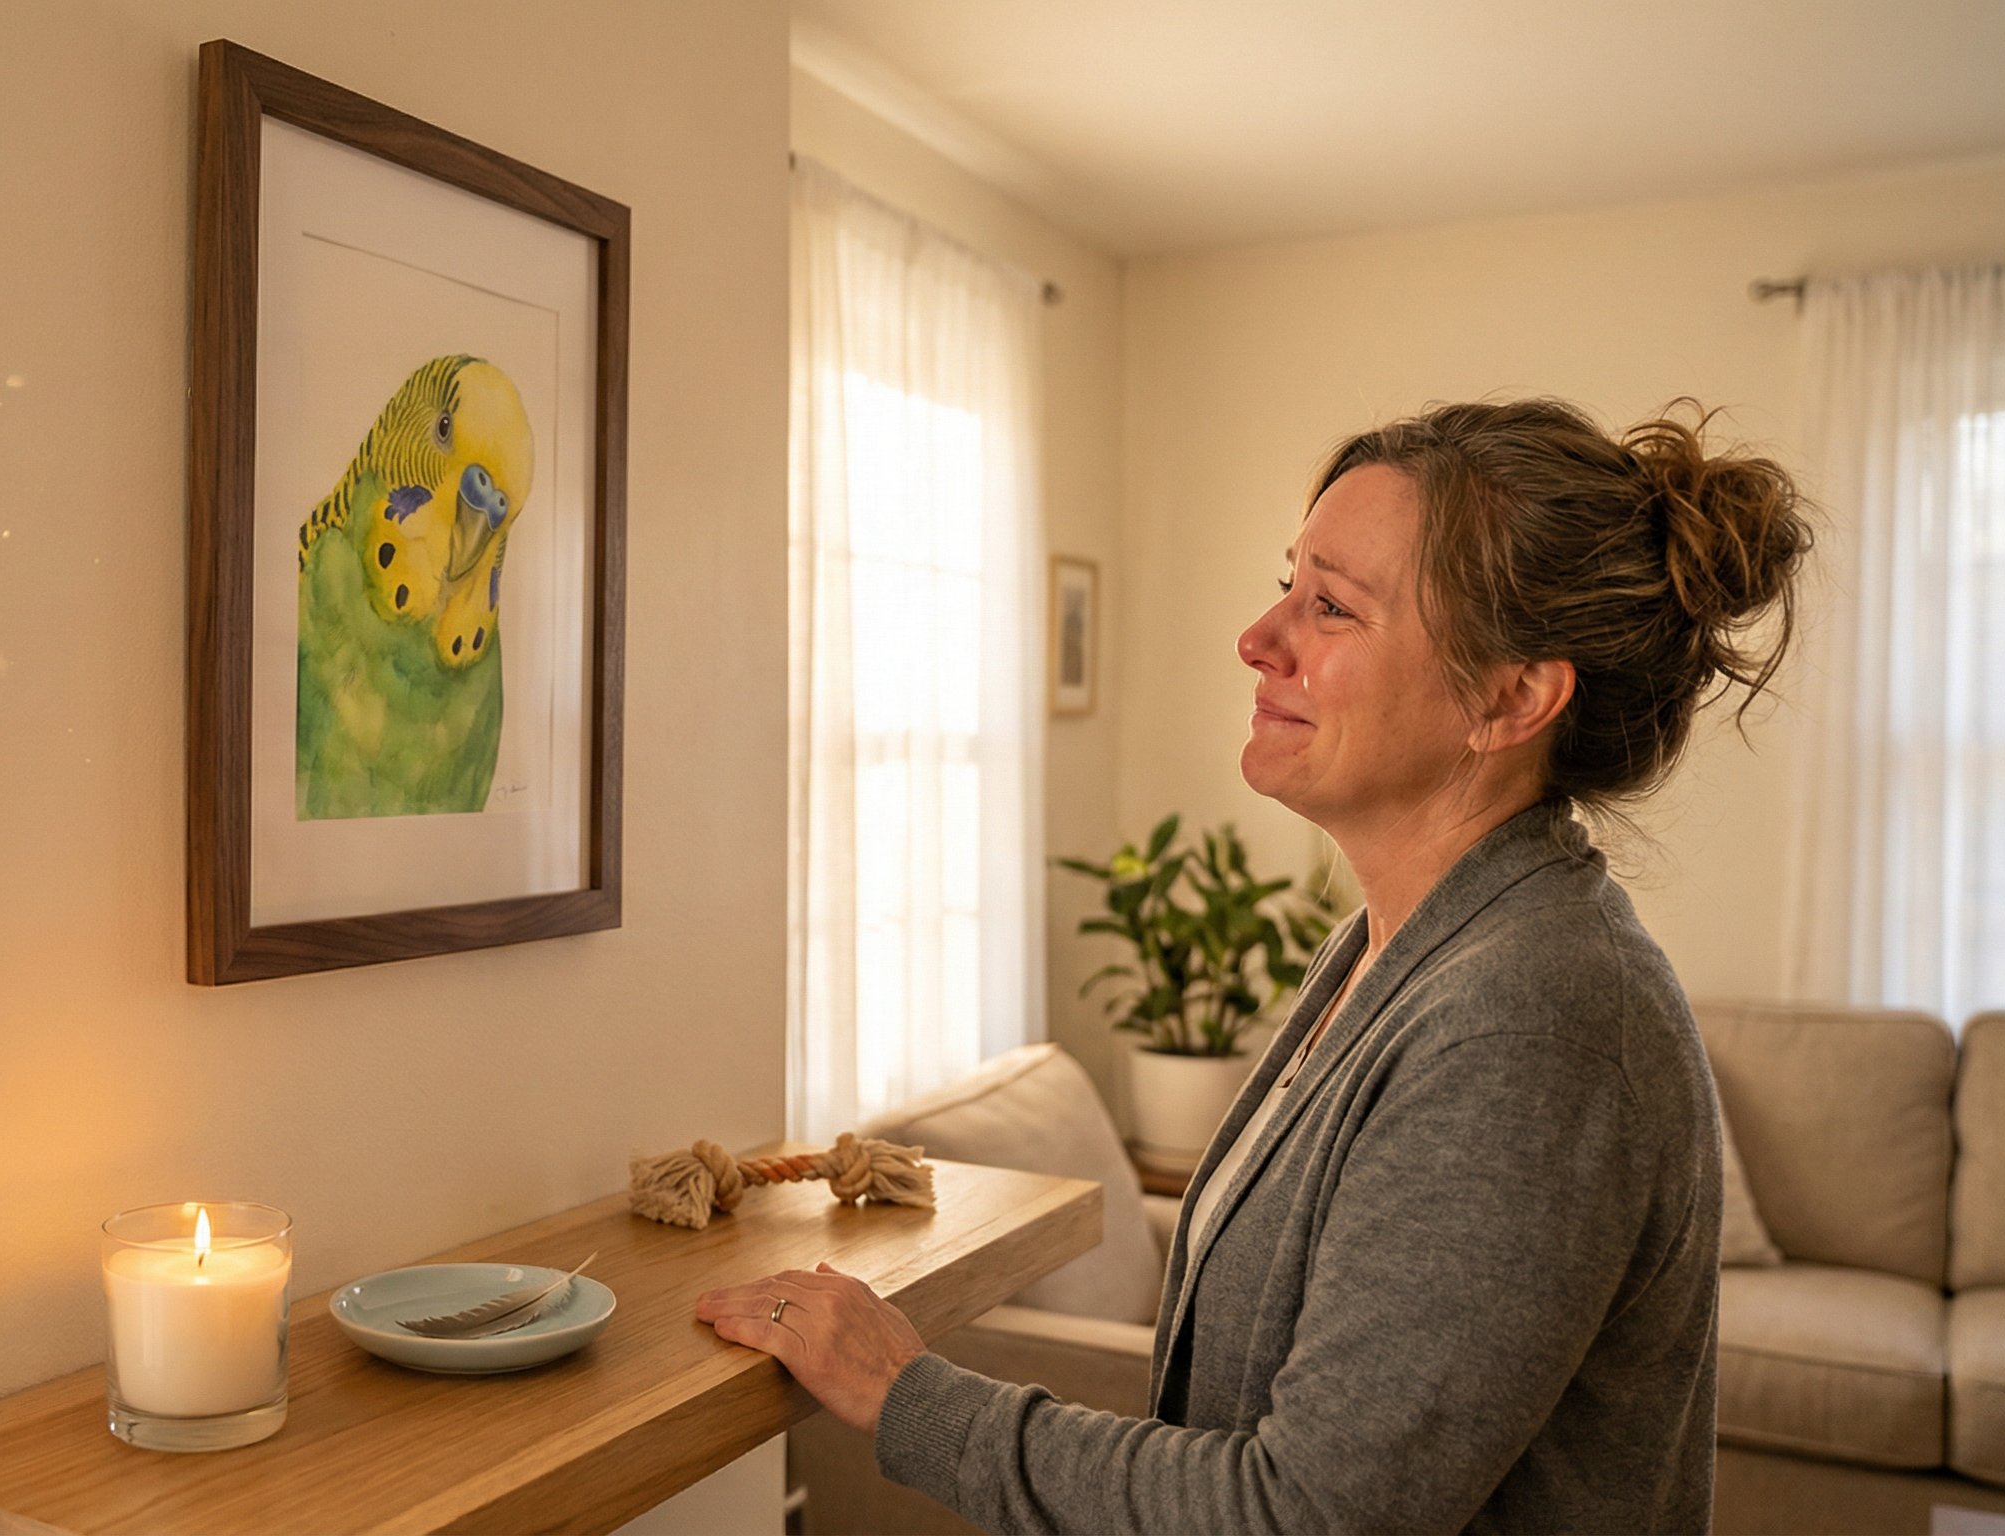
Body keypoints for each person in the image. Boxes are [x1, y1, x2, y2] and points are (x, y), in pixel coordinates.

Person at [698, 399, 1813, 1533]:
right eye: (1289, 581)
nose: (1258, 636)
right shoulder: (1396, 949)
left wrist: (907, 1395)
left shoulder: (1534, 1021)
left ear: (1511, 697)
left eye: (1330, 605)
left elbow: (1304, 1515)